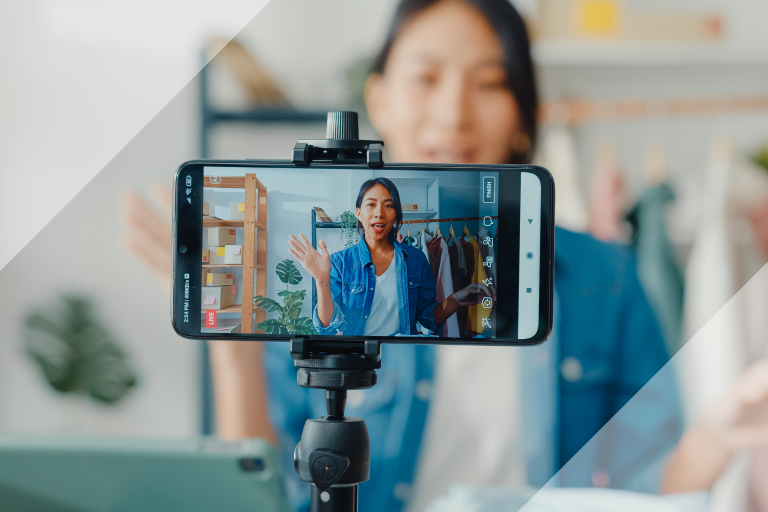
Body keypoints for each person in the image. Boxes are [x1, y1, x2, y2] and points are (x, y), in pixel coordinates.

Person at [120, 1, 682, 511]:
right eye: (426, 78)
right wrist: (233, 353)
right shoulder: (332, 276)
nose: (454, 111)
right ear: (380, 98)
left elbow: (653, 480)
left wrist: (721, 435)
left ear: (521, 114)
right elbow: (267, 500)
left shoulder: (604, 280)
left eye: (489, 83)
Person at [288, 177, 493, 337]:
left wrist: (454, 300)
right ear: (358, 213)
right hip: (357, 357)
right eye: (371, 205)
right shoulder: (341, 263)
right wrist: (322, 281)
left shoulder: (415, 259)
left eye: (388, 205)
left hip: (401, 357)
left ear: (396, 215)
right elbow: (328, 327)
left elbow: (428, 317)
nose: (379, 213)